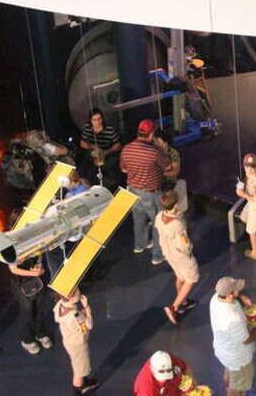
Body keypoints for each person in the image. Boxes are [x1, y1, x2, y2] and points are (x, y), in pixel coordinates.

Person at [210, 276, 256, 396]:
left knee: (230, 372)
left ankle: (230, 392)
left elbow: (234, 305)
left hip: (223, 350)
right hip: (238, 358)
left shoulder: (215, 299)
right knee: (237, 385)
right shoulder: (233, 318)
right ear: (229, 295)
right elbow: (247, 339)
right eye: (236, 290)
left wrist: (240, 300)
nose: (239, 290)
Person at [121, 119, 171, 265]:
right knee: (158, 223)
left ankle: (140, 245)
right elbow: (167, 166)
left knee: (139, 219)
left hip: (132, 191)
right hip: (151, 193)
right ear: (151, 134)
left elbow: (124, 169)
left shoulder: (127, 149)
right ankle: (157, 255)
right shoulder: (154, 151)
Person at [156, 190, 199, 325]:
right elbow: (184, 244)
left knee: (180, 276)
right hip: (181, 256)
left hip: (168, 253)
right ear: (175, 205)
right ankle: (174, 307)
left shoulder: (159, 216)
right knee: (192, 279)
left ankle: (184, 302)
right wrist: (189, 250)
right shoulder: (177, 225)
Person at [53, 288, 99, 396]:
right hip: (78, 345)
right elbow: (88, 325)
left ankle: (85, 381)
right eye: (78, 292)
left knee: (81, 366)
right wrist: (87, 309)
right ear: (72, 298)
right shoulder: (75, 315)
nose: (80, 292)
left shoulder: (60, 304)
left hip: (69, 341)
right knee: (79, 370)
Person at [8, 248, 53, 355]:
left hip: (36, 280)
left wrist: (39, 266)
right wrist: (34, 273)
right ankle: (27, 340)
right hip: (22, 284)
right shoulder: (10, 246)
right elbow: (13, 269)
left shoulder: (34, 239)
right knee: (27, 313)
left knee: (39, 309)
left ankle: (40, 333)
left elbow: (39, 254)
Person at [79, 108, 122, 188]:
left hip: (107, 153)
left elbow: (118, 145)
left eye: (99, 119)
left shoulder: (110, 129)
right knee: (84, 168)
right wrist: (93, 147)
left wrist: (105, 152)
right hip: (93, 153)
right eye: (94, 120)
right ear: (90, 120)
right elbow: (82, 143)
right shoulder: (88, 127)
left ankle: (111, 183)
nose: (97, 122)